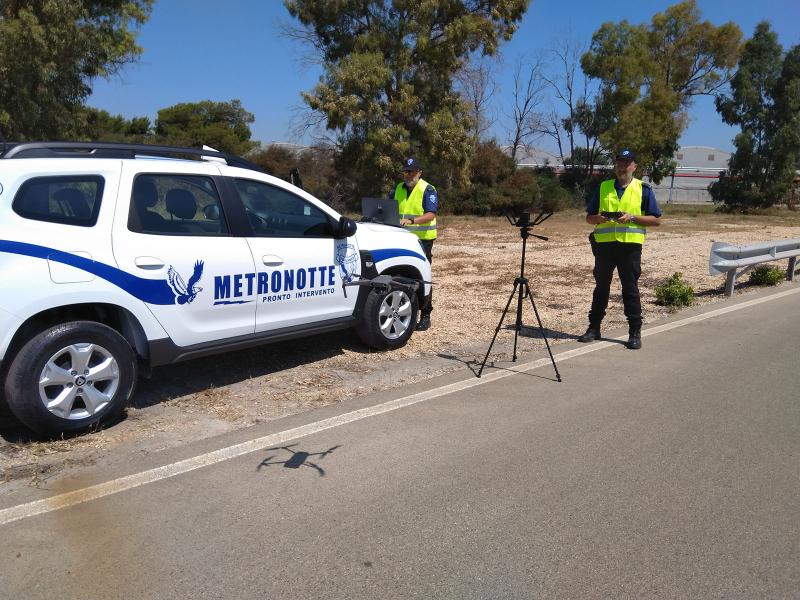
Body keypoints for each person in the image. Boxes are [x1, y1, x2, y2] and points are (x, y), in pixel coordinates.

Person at [578, 149, 662, 349]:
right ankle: (594, 328)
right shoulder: (603, 187)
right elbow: (589, 218)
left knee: (630, 289)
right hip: (605, 247)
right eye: (619, 163)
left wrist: (632, 217)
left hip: (629, 248)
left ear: (634, 166)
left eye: (627, 163)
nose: (622, 166)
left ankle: (634, 332)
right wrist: (598, 218)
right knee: (601, 288)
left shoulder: (643, 189)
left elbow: (657, 220)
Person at [392, 157, 438, 331]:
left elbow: (431, 214)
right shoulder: (398, 188)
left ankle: (426, 315)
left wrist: (412, 221)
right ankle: (405, 309)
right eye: (405, 171)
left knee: (422, 276)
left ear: (419, 173)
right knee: (402, 274)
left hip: (423, 240)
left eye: (410, 171)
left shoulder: (428, 189)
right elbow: (388, 207)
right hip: (400, 238)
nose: (407, 175)